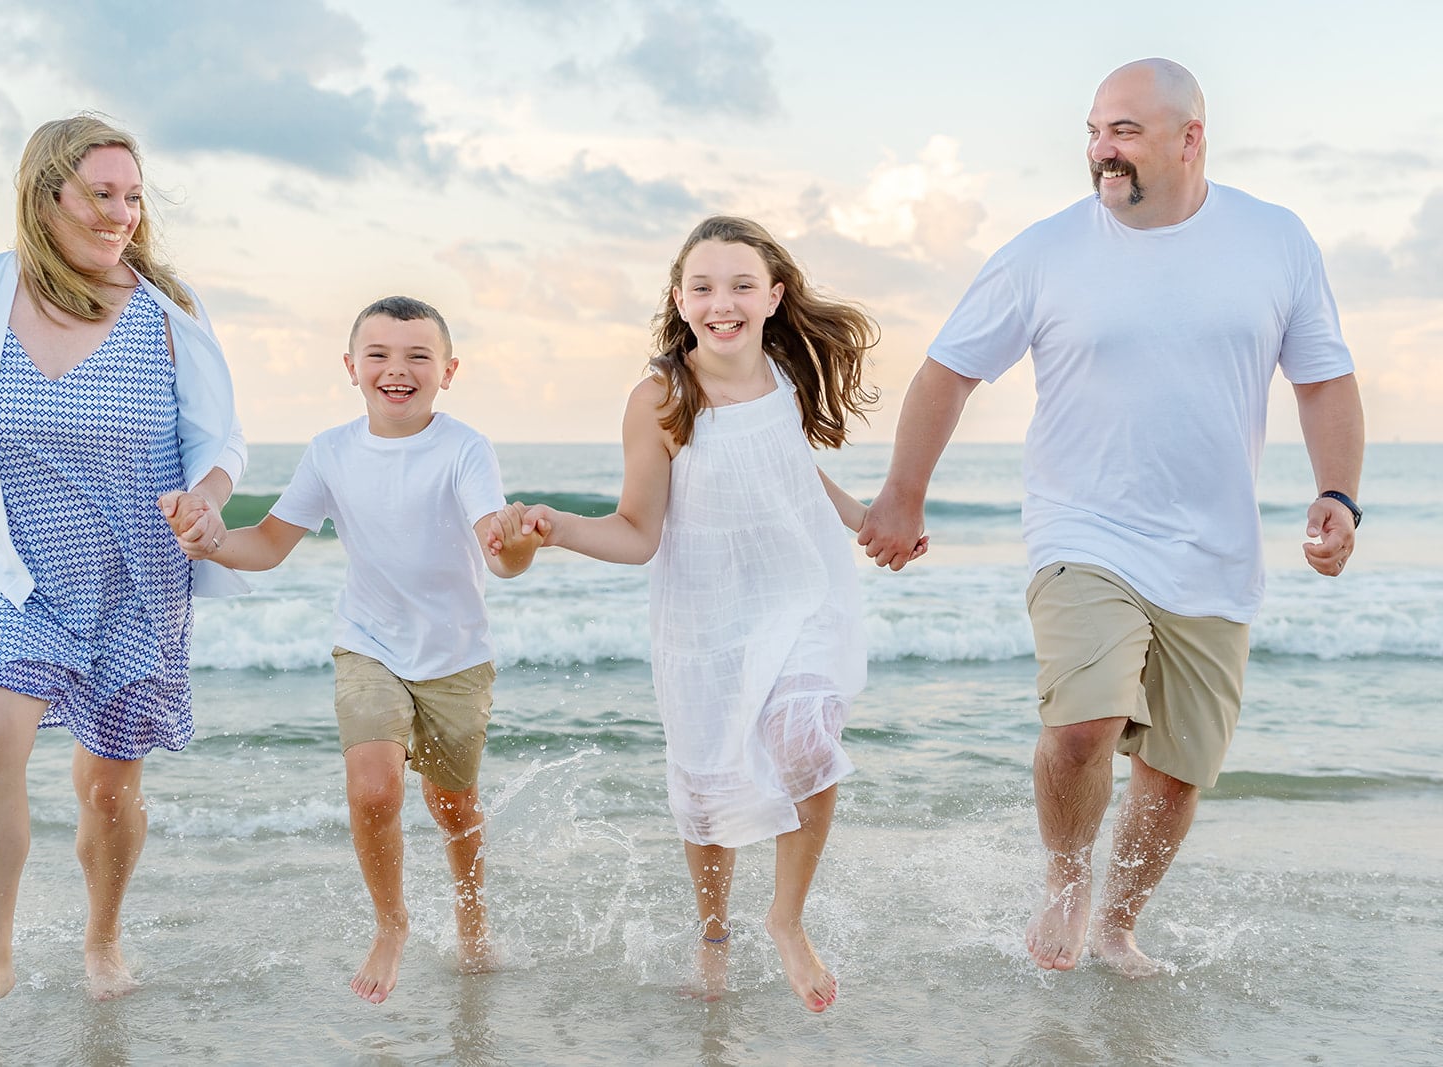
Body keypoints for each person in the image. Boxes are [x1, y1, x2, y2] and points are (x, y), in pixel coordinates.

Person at [858, 58, 1365, 978]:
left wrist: (1337, 493)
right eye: (1094, 132)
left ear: (1190, 137)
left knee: (1174, 773)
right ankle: (1064, 877)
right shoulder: (1045, 251)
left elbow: (1324, 380)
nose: (1101, 151)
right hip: (1081, 531)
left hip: (1214, 550)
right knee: (1085, 722)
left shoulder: (1275, 240)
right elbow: (948, 370)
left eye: (1123, 132)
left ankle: (1118, 923)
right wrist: (904, 492)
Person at [0, 116, 246, 1039]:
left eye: (134, 195)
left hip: (134, 577)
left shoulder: (168, 308)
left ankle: (102, 934)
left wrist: (209, 497)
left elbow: (218, 443)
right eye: (101, 193)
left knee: (107, 788)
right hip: (6, 575)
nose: (122, 214)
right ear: (44, 193)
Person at [500, 216, 875, 1012]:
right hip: (707, 615)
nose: (722, 302)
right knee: (708, 796)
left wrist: (865, 516)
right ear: (679, 298)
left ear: (774, 296)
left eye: (741, 284)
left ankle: (786, 918)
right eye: (702, 286)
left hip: (803, 592)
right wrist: (558, 526)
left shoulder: (783, 374)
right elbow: (638, 532)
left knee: (806, 742)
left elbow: (792, 474)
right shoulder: (663, 397)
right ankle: (714, 933)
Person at [163, 296, 541, 1005]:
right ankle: (391, 923)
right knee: (374, 787)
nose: (397, 370)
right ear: (351, 367)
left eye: (418, 356)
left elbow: (500, 552)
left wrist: (515, 543)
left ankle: (472, 913)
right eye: (380, 355)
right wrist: (213, 540)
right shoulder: (331, 451)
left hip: (456, 656)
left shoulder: (465, 448)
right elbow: (270, 543)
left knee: (453, 803)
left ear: (448, 371)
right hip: (367, 644)